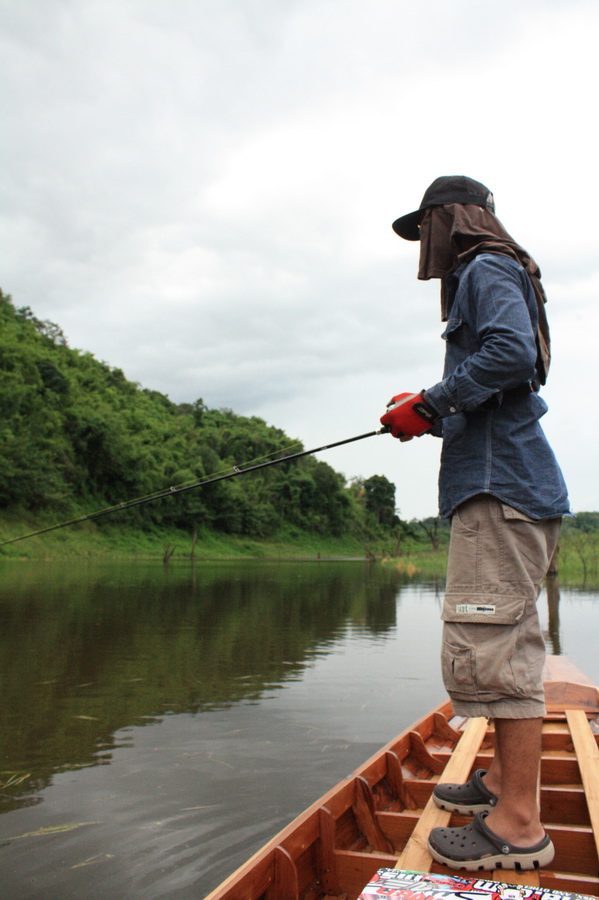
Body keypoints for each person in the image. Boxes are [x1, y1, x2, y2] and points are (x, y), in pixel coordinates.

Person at [380, 176, 570, 871]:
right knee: (501, 642)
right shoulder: (502, 270)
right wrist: (426, 412)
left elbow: (510, 356)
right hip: (505, 481)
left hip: (500, 492)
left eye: (422, 227)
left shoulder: (484, 267)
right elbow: (500, 387)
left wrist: (429, 403)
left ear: (447, 220)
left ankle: (519, 825)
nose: (421, 246)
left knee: (496, 650)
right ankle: (497, 783)